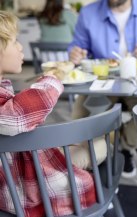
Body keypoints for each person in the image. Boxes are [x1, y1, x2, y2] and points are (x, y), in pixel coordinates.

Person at [67, 0, 137, 177]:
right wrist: (75, 53)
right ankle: (101, 157)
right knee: (80, 117)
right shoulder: (88, 13)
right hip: (103, 82)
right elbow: (77, 47)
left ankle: (127, 146)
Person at [0, 11, 96, 216]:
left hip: (24, 164)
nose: (20, 46)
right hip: (23, 185)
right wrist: (51, 80)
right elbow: (15, 116)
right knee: (102, 145)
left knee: (87, 142)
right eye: (15, 41)